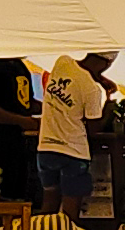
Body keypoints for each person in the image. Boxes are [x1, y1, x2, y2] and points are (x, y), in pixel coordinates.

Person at [33, 52, 111, 218]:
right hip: (73, 153)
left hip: (46, 148)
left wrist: (97, 78)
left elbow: (76, 80)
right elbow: (94, 129)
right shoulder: (92, 89)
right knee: (70, 212)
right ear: (106, 64)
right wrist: (108, 107)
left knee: (48, 205)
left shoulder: (63, 61)